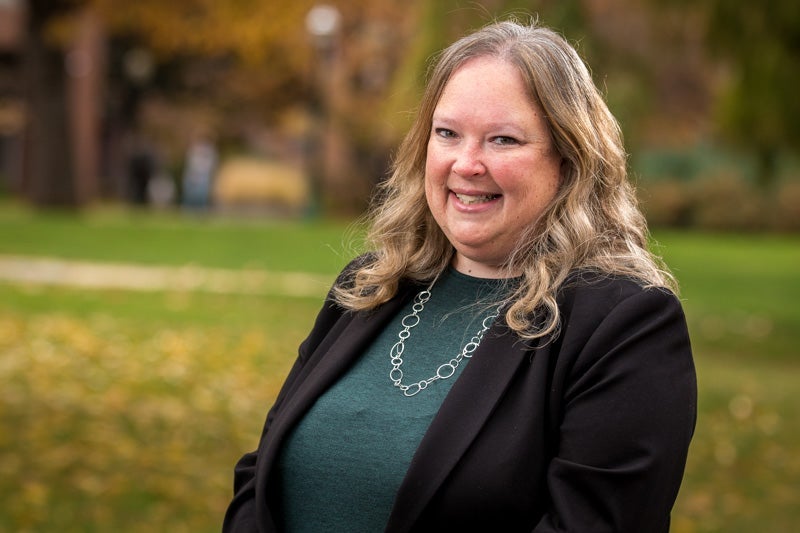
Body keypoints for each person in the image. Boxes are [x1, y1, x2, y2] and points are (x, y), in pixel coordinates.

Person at [223, 18, 696, 533]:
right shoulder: (370, 285)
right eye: (447, 133)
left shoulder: (623, 325)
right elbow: (260, 475)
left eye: (503, 140)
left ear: (568, 160)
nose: (466, 163)